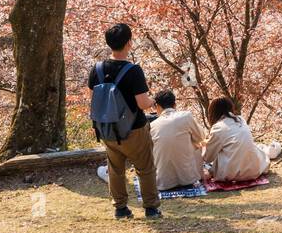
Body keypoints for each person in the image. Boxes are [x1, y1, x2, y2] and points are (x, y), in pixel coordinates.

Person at [88, 23, 162, 220]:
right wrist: (154, 100)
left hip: (107, 128)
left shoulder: (97, 69)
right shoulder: (133, 70)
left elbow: (93, 97)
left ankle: (120, 208)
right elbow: (142, 103)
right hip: (133, 128)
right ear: (129, 42)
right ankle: (151, 208)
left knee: (115, 169)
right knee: (145, 168)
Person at [149, 90, 206, 191]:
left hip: (163, 183)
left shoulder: (152, 125)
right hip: (188, 180)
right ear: (175, 104)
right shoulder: (186, 116)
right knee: (197, 145)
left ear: (157, 106)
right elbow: (201, 137)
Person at [203, 98, 270, 183]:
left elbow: (208, 157)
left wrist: (204, 146)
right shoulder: (241, 120)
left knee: (205, 162)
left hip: (231, 174)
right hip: (254, 170)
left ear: (213, 112)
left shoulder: (218, 128)